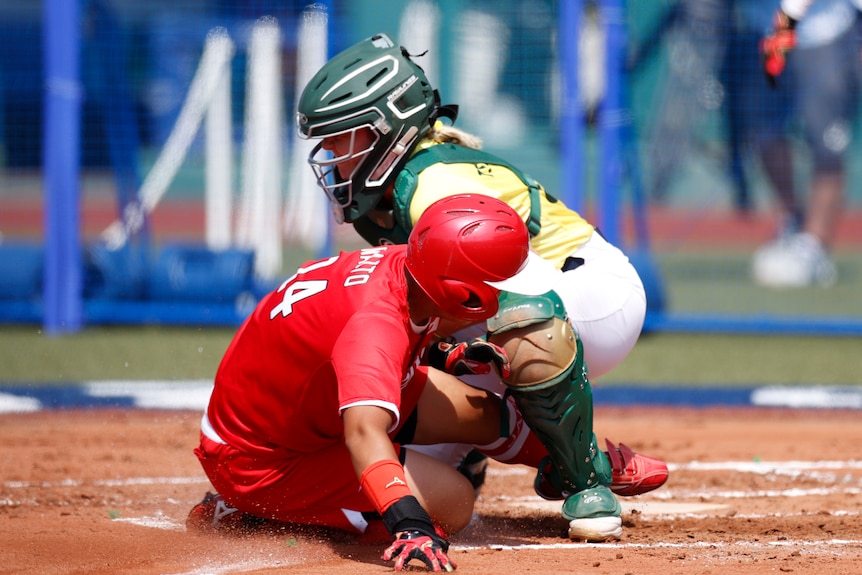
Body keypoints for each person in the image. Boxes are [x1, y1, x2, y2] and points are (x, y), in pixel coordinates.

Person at [294, 32, 667, 507]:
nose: (331, 153)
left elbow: (510, 291)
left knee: (503, 313)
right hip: (532, 298)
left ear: (387, 126)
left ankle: (585, 478)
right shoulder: (388, 195)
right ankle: (505, 452)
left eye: (341, 136)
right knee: (401, 454)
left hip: (590, 296)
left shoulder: (434, 183)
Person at [187, 195, 639, 573]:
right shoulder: (375, 326)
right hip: (259, 461)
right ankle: (250, 510)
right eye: (497, 282)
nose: (506, 294)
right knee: (454, 503)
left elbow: (358, 346)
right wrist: (410, 523)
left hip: (304, 410)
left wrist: (447, 353)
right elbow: (364, 431)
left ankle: (580, 467)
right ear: (459, 290)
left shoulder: (408, 267)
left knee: (488, 416)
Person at [749, 0, 861, 287]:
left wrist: (786, 22)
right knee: (763, 133)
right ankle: (793, 222)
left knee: (826, 146)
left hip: (825, 36)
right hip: (764, 30)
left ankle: (814, 245)